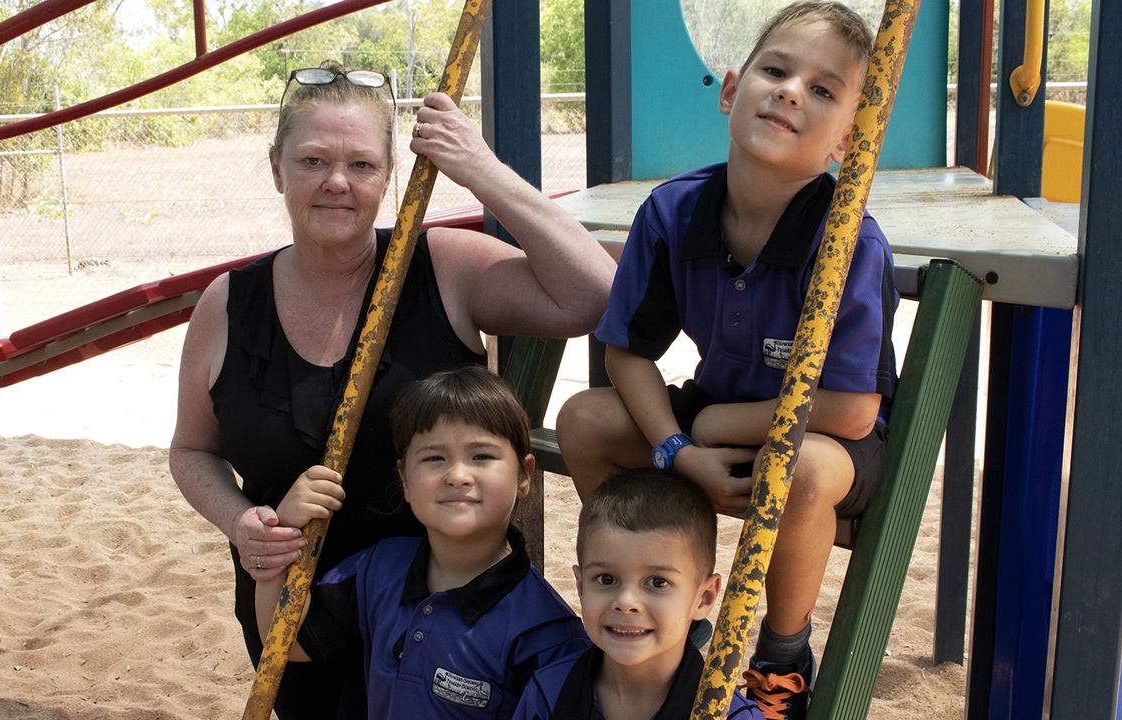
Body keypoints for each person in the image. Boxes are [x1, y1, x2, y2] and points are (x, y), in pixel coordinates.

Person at [169, 61, 614, 718]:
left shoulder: (440, 268)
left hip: (441, 614)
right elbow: (190, 451)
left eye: (363, 165)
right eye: (314, 160)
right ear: (276, 168)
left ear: (390, 174)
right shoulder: (229, 305)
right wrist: (242, 525)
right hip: (295, 608)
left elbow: (593, 294)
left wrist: (480, 170)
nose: (337, 183)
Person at [555, 4, 895, 718]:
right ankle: (660, 588)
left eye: (825, 90)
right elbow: (627, 352)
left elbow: (855, 409)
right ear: (730, 90)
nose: (793, 90)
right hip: (710, 431)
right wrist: (678, 447)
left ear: (847, 143)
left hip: (827, 443)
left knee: (798, 471)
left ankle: (781, 656)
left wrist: (718, 422)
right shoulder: (675, 210)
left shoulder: (846, 242)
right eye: (776, 70)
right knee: (584, 420)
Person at [254, 365, 591, 718]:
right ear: (404, 479)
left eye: (481, 456)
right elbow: (287, 642)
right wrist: (285, 529)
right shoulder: (378, 570)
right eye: (434, 458)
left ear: (524, 474)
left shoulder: (545, 631)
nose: (458, 475)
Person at [512, 470, 763, 719]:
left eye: (657, 582)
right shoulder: (548, 692)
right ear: (580, 587)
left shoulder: (730, 716)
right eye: (606, 579)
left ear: (704, 598)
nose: (626, 602)